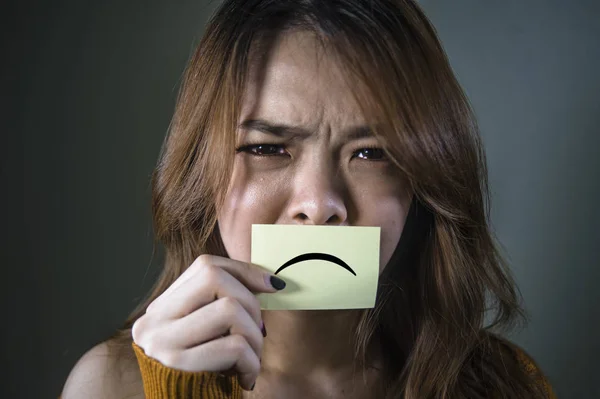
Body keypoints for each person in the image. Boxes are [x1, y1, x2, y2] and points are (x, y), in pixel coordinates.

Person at [61, 0, 556, 398]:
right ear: (201, 174)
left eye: (371, 154)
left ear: (421, 183)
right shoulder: (112, 386)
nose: (319, 204)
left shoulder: (507, 386)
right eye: (266, 148)